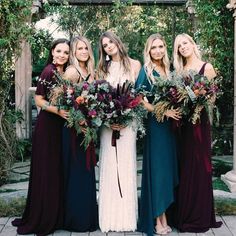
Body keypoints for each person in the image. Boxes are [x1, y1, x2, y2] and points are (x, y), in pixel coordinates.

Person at [12, 38, 70, 235]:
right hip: (47, 127)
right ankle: (42, 218)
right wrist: (59, 111)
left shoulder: (63, 72)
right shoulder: (48, 71)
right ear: (52, 52)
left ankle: (54, 214)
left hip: (58, 127)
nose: (62, 55)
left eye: (65, 52)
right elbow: (38, 99)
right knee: (46, 171)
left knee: (54, 171)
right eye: (59, 51)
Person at [173, 33, 222, 233]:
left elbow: (212, 98)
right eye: (178, 46)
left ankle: (199, 216)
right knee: (183, 166)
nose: (183, 47)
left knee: (199, 167)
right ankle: (183, 212)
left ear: (192, 44)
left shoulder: (206, 67)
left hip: (198, 123)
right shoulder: (179, 70)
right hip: (181, 124)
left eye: (185, 43)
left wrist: (199, 102)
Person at [97, 31, 141, 232]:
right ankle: (109, 217)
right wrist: (108, 121)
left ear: (118, 41)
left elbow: (138, 96)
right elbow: (97, 99)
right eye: (105, 45)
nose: (108, 46)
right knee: (109, 165)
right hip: (108, 127)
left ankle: (127, 219)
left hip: (128, 125)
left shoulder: (135, 64)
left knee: (125, 165)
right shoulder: (101, 69)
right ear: (103, 50)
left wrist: (126, 117)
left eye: (110, 42)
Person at [136, 33, 179, 235]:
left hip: (171, 128)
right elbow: (139, 99)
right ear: (148, 50)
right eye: (154, 47)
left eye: (161, 46)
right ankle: (158, 220)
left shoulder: (170, 70)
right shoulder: (147, 70)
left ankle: (165, 215)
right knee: (158, 171)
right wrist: (162, 111)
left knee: (167, 171)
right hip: (157, 125)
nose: (158, 50)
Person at [62, 36, 98, 232]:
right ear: (74, 52)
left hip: (88, 128)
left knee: (87, 172)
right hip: (74, 130)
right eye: (79, 48)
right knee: (77, 174)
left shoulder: (89, 71)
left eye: (86, 48)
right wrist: (78, 120)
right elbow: (62, 99)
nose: (83, 51)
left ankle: (88, 217)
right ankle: (77, 220)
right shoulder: (71, 71)